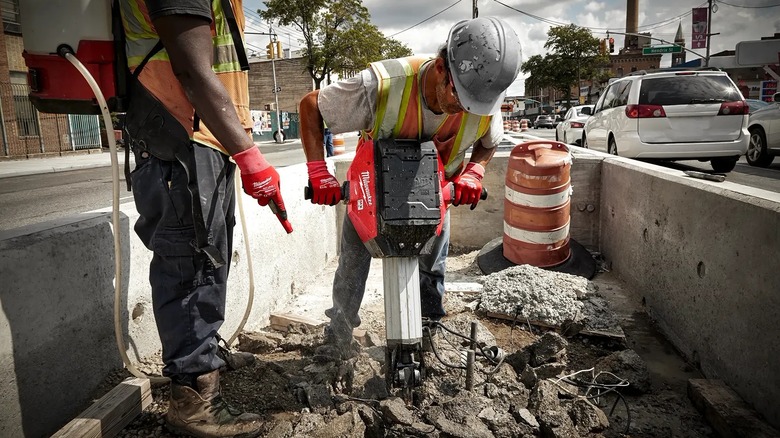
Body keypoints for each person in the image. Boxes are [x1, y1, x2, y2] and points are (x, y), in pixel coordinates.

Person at [298, 17, 522, 357]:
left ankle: (427, 336)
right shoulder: (385, 84)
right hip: (373, 190)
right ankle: (338, 338)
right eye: (458, 97)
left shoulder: (482, 95)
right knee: (352, 266)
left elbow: (490, 142)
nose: (464, 109)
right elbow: (312, 105)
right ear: (442, 68)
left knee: (432, 268)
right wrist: (319, 172)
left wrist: (474, 171)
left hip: (433, 195)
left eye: (473, 105)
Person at [119, 1, 289, 436]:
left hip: (201, 138)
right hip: (177, 137)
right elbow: (192, 70)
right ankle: (193, 400)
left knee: (209, 259)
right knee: (189, 265)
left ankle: (204, 356)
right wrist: (250, 156)